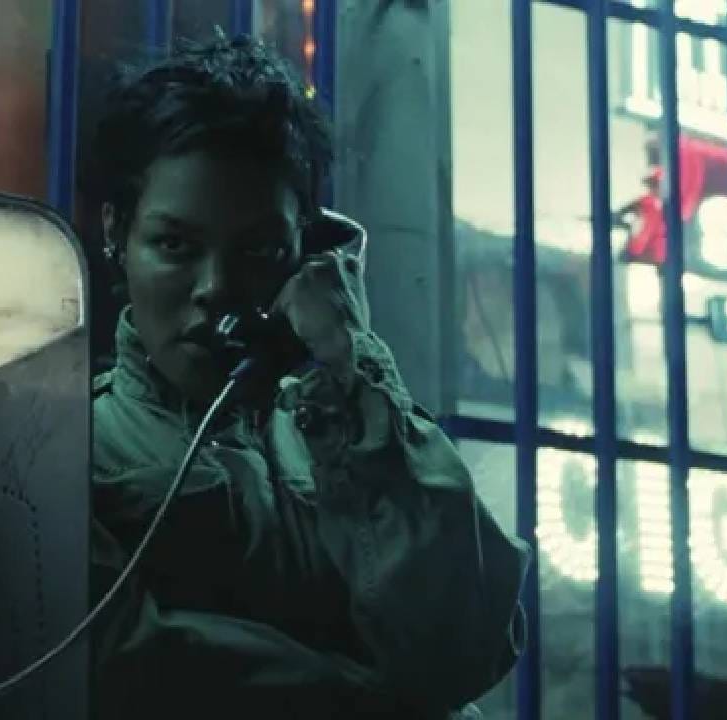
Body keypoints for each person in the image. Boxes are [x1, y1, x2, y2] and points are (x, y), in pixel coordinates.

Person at [84, 33, 530, 719]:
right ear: (117, 234)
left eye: (258, 251)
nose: (215, 287)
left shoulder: (350, 432)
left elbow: (467, 645)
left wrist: (351, 363)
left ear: (305, 249)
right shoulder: (70, 449)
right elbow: (119, 666)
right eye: (175, 245)